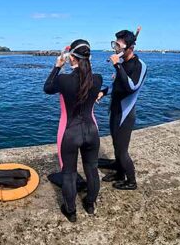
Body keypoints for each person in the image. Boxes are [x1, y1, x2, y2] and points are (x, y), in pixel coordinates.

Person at [44, 40, 103, 222]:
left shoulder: (63, 80)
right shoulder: (98, 79)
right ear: (89, 58)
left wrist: (56, 67)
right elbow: (87, 82)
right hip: (92, 131)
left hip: (69, 133)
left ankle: (70, 211)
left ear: (71, 58)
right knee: (92, 169)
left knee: (69, 174)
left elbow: (47, 88)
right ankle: (90, 204)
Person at [97, 30, 147, 190]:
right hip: (115, 110)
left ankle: (131, 181)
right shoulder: (123, 63)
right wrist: (103, 92)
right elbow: (117, 85)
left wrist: (117, 66)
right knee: (116, 145)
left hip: (126, 114)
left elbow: (131, 87)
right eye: (114, 44)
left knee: (122, 150)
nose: (115, 48)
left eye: (118, 45)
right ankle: (119, 173)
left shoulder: (140, 66)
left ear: (130, 48)